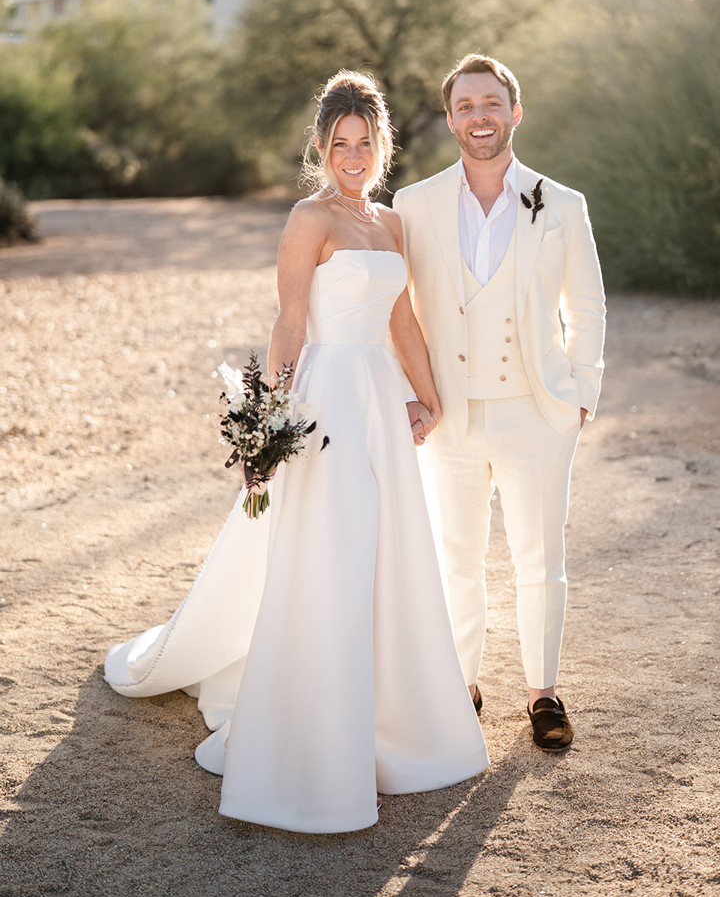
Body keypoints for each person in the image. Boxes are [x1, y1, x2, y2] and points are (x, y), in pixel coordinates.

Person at [105, 71, 489, 833]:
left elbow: (403, 322)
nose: (353, 155)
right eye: (340, 143)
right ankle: (322, 747)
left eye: (366, 143)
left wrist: (431, 394)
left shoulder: (390, 224)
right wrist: (270, 420)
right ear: (321, 146)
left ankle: (391, 730)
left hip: (382, 399)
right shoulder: (308, 219)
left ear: (383, 147)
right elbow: (288, 324)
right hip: (327, 403)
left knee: (388, 557)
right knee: (333, 560)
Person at [393, 53, 605, 751]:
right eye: (465, 106)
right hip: (450, 414)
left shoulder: (562, 203)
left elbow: (588, 305)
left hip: (536, 413)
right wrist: (412, 397)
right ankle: (461, 686)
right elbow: (398, 310)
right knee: (456, 560)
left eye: (491, 103)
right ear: (450, 118)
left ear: (515, 112)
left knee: (540, 559)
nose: (478, 116)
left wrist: (580, 395)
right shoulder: (415, 204)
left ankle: (543, 693)